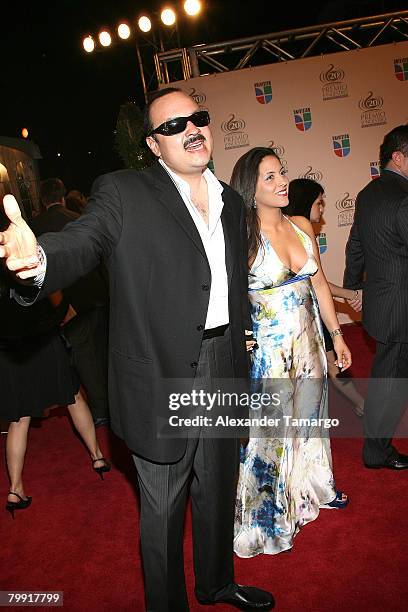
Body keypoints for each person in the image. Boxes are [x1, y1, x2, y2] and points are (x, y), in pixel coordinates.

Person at [0, 88, 274, 611]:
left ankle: (216, 583)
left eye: (197, 118)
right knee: (165, 508)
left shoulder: (232, 201)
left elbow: (231, 287)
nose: (191, 130)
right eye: (173, 126)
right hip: (161, 373)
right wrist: (38, 258)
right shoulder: (124, 192)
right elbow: (86, 238)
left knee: (218, 490)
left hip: (222, 364)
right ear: (153, 144)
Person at [230, 147, 352, 557]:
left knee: (312, 421)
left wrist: (337, 335)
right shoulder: (241, 237)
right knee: (272, 434)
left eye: (281, 173)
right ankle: (268, 517)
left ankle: (315, 489)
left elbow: (317, 284)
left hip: (310, 343)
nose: (282, 181)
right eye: (269, 177)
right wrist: (240, 338)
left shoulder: (300, 225)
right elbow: (224, 297)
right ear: (251, 188)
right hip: (271, 351)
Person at [0, 287, 110, 519]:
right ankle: (97, 456)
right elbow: (58, 298)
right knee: (74, 397)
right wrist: (57, 317)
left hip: (9, 350)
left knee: (19, 419)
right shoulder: (26, 260)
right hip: (43, 340)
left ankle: (15, 490)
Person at [344, 125, 408, 470]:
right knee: (392, 384)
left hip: (382, 306)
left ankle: (376, 447)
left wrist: (354, 287)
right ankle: (376, 450)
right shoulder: (403, 198)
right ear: (397, 157)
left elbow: (356, 245)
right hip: (401, 310)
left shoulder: (368, 193)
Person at [31, 177, 110, 429]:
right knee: (105, 350)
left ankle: (101, 410)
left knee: (85, 356)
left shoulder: (35, 226)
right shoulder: (79, 218)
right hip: (97, 295)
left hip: (68, 303)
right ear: (62, 196)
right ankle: (113, 402)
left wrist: (61, 307)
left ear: (43, 201)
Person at [285, 178, 365, 416]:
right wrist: (353, 294)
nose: (322, 209)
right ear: (307, 202)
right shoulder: (300, 228)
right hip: (308, 312)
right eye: (319, 203)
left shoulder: (289, 227)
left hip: (300, 312)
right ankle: (360, 405)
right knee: (331, 362)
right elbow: (319, 284)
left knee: (327, 362)